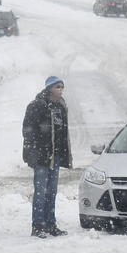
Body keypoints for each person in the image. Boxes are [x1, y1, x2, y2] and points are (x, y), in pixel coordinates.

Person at [22, 76, 72, 238]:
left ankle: (50, 224)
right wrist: (34, 152)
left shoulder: (61, 106)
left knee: (52, 191)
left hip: (55, 156)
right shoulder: (37, 106)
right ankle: (37, 225)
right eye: (58, 87)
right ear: (49, 88)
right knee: (40, 191)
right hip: (42, 156)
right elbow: (28, 131)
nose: (60, 90)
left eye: (62, 87)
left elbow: (63, 133)